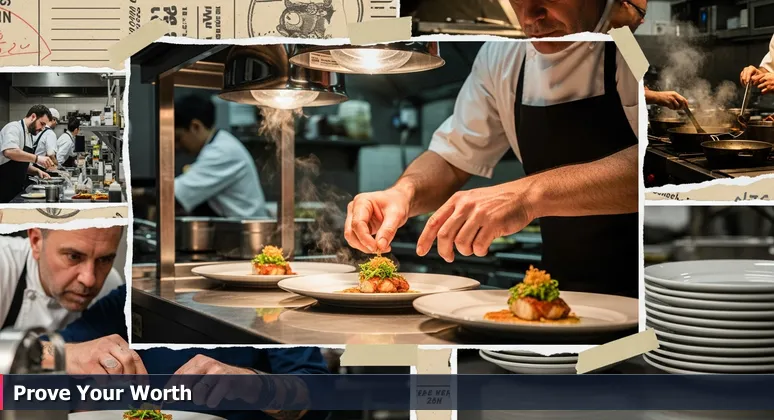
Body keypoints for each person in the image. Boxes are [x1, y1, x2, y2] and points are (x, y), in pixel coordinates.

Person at [345, 0, 639, 298]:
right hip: (562, 292)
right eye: (516, 1)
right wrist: (403, 194)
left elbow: (660, 168)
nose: (529, 17)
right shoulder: (504, 54)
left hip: (647, 289)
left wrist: (528, 195)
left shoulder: (639, 39)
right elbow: (451, 158)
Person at [39, 284, 328, 420]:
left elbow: (316, 395)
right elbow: (34, 353)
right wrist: (67, 354)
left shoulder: (271, 307)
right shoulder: (128, 301)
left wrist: (254, 385)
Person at [0, 227, 125, 331]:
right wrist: (64, 352)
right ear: (36, 242)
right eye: (73, 256)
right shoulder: (4, 266)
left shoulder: (110, 287)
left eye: (104, 259)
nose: (89, 280)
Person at [174, 94, 268, 218]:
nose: (176, 146)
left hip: (246, 233)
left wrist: (141, 194)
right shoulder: (218, 145)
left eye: (178, 138)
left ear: (195, 127)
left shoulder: (222, 151)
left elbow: (175, 196)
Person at [608, 0, 689, 110]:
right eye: (641, 13)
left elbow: (640, 87)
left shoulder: (626, 40)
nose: (642, 21)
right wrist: (657, 97)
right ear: (624, 4)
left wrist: (659, 96)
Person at [0, 105, 56, 203]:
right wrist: (37, 158)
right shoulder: (14, 128)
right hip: (3, 187)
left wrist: (37, 171)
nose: (43, 128)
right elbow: (9, 152)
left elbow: (20, 163)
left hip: (15, 189)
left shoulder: (28, 134)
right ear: (33, 116)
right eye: (42, 124)